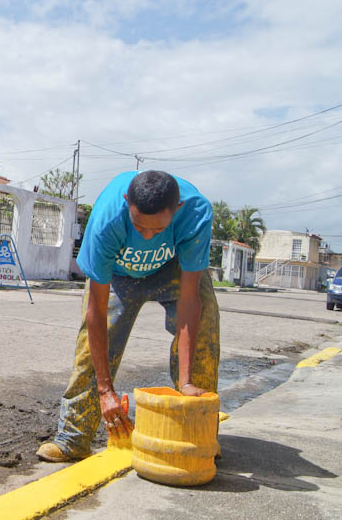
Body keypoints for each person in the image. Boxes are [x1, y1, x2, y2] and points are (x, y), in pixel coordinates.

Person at [36, 170, 219, 462]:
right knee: (91, 344)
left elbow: (189, 300)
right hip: (118, 276)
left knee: (206, 319)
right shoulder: (107, 219)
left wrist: (185, 381)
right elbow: (95, 312)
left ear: (178, 209)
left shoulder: (195, 212)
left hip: (172, 270)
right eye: (139, 226)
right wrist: (106, 391)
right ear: (126, 202)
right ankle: (73, 437)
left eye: (157, 230)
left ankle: (198, 435)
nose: (147, 235)